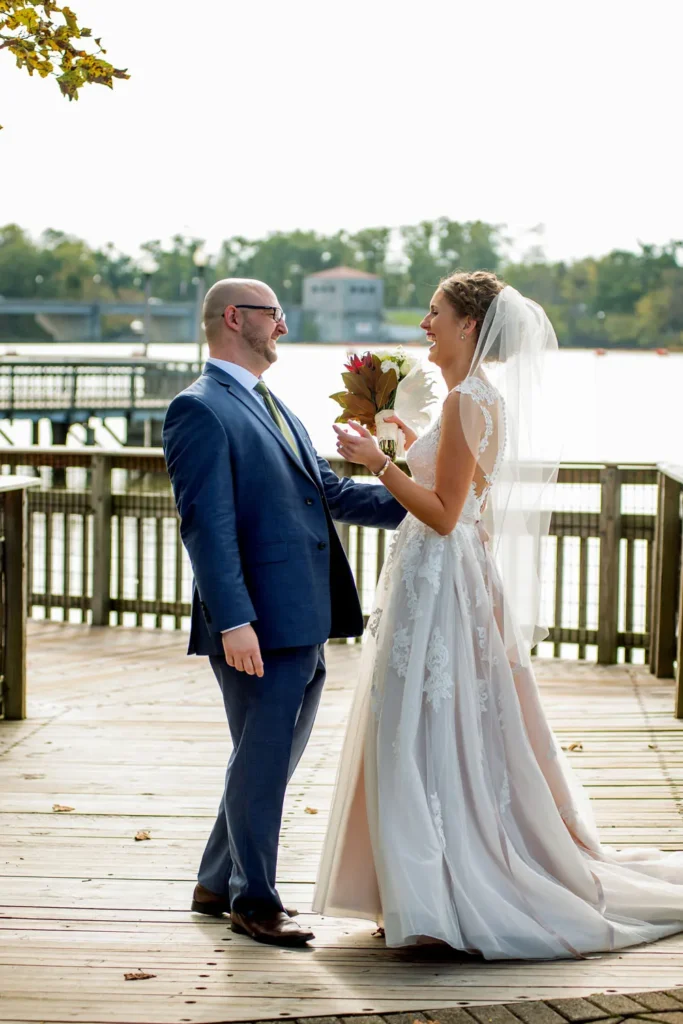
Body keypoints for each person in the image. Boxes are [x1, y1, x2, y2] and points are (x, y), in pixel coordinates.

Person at [313, 270, 683, 960]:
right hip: (444, 581)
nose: (424, 324)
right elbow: (460, 488)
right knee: (433, 726)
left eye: (434, 313)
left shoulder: (466, 402)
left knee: (424, 728)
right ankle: (420, 892)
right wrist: (404, 438)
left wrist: (375, 463)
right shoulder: (474, 400)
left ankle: (439, 896)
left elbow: (445, 515)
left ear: (468, 327)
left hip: (439, 578)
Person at [162, 277, 405, 947]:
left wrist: (418, 498)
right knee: (263, 760)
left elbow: (327, 492)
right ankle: (255, 901)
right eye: (276, 317)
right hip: (258, 625)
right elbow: (204, 527)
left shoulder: (272, 405)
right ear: (236, 318)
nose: (285, 329)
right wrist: (234, 620)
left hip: (303, 614)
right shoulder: (199, 410)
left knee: (261, 757)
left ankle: (216, 881)